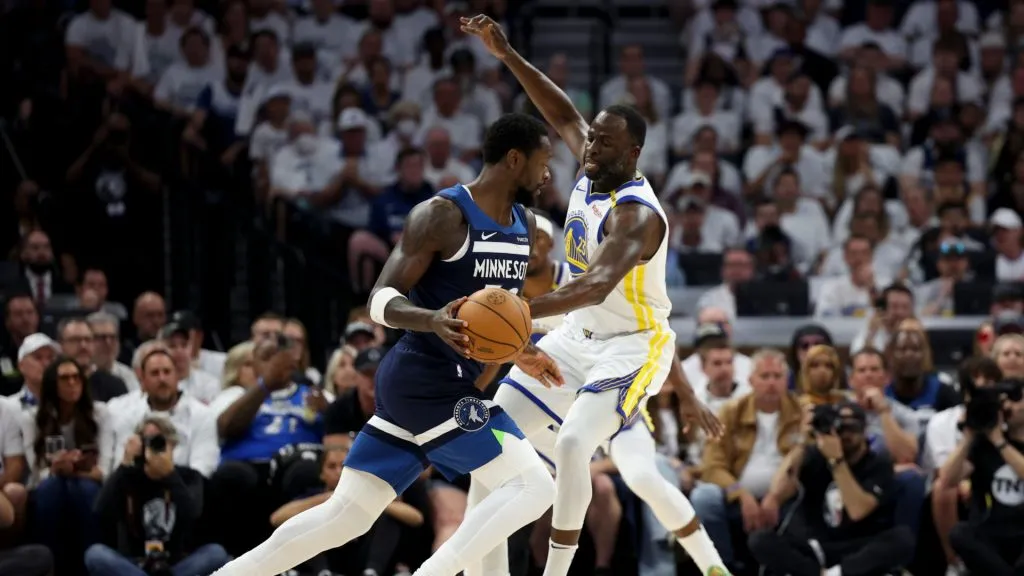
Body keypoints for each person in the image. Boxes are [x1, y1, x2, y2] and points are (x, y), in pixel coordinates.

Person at [212, 112, 562, 576]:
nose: (548, 174)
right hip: (427, 382)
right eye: (543, 161)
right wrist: (431, 319)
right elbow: (380, 299)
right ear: (515, 159)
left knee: (346, 515)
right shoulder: (443, 216)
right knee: (535, 485)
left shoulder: (525, 226)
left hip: (439, 385)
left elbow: (496, 322)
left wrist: (523, 351)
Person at [460, 14, 727, 576]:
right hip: (576, 337)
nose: (589, 146)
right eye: (593, 136)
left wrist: (519, 312)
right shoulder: (592, 159)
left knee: (578, 445)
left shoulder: (638, 215)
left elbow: (597, 284)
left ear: (631, 154)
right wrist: (507, 54)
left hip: (632, 346)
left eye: (604, 142)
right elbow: (559, 110)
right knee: (485, 445)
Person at [749, 401, 915, 576]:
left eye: (852, 428)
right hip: (817, 546)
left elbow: (858, 510)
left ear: (864, 431)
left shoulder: (878, 463)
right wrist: (801, 441)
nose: (844, 435)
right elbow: (777, 491)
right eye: (839, 429)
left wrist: (837, 461)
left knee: (902, 538)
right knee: (760, 540)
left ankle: (837, 573)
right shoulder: (815, 455)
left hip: (859, 547)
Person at [86, 415, 230, 576]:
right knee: (95, 554)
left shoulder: (188, 477)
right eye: (146, 441)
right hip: (135, 563)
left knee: (216, 553)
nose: (152, 448)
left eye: (158, 442)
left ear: (173, 445)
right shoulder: (127, 476)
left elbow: (193, 513)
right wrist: (125, 463)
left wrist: (170, 475)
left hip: (177, 563)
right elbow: (100, 510)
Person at [938, 379, 1024, 576]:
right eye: (1004, 402)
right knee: (960, 533)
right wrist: (968, 436)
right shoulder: (983, 445)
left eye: (1015, 399)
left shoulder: (997, 442)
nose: (1008, 406)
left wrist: (1000, 442)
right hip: (991, 533)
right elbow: (948, 480)